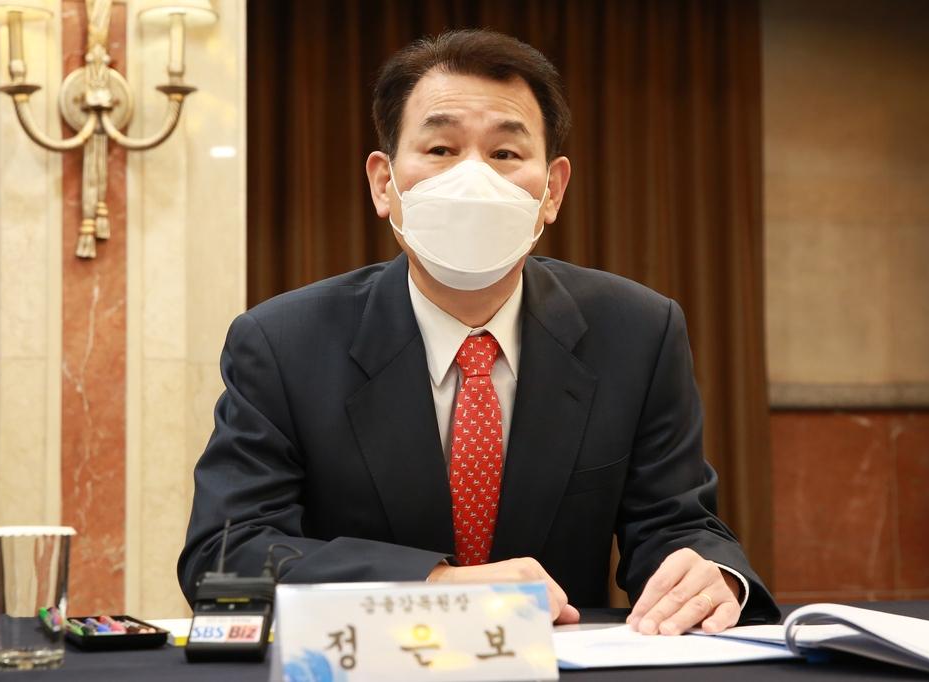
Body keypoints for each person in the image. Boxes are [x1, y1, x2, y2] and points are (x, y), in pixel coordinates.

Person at [179, 28, 780, 634]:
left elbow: (677, 525)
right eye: (441, 149)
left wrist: (712, 574)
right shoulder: (283, 343)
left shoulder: (637, 332)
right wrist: (436, 587)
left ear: (553, 191)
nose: (473, 178)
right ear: (384, 183)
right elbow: (226, 556)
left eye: (505, 154)